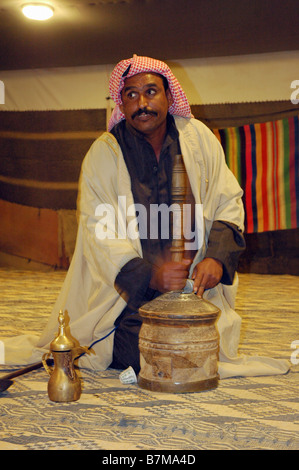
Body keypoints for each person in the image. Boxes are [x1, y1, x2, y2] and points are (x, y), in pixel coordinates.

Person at [3, 55, 289, 379]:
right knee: (148, 353)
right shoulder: (104, 153)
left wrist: (217, 259)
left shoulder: (198, 141)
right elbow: (99, 230)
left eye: (151, 92)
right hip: (129, 298)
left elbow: (227, 201)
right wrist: (151, 276)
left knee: (201, 345)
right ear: (121, 105)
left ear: (169, 96)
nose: (142, 103)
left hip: (194, 293)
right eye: (131, 95)